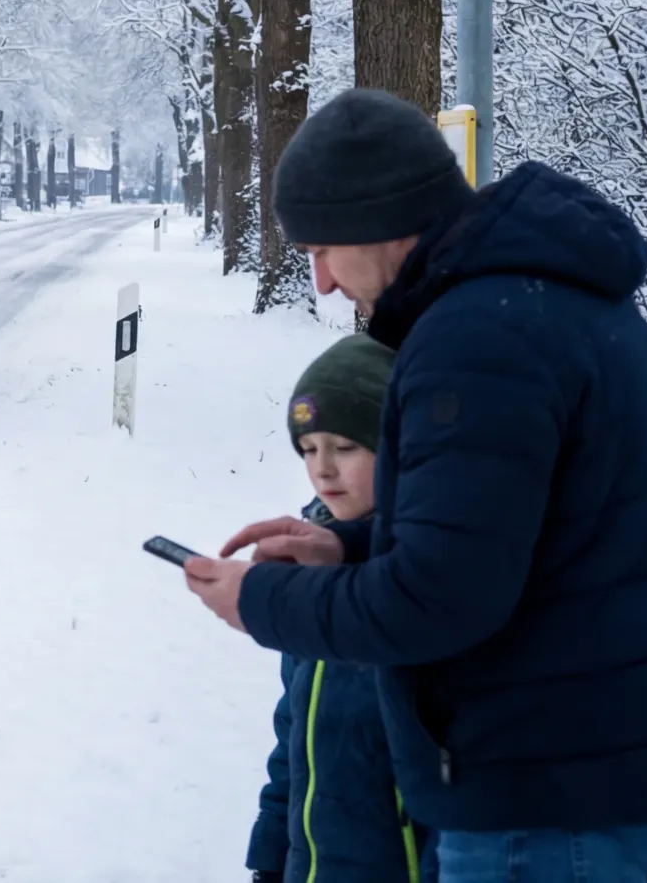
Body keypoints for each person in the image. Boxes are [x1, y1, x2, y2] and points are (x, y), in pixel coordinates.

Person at [183, 88, 647, 882]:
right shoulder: (550, 301)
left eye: (325, 248)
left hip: (547, 800)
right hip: (609, 772)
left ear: (382, 219)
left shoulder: (477, 338)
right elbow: (523, 534)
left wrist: (258, 602)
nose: (325, 282)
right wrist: (347, 544)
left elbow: (439, 599)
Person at [245, 332, 433, 883]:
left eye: (346, 447)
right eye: (309, 449)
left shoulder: (437, 573)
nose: (322, 469)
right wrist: (272, 857)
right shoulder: (312, 557)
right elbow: (294, 735)